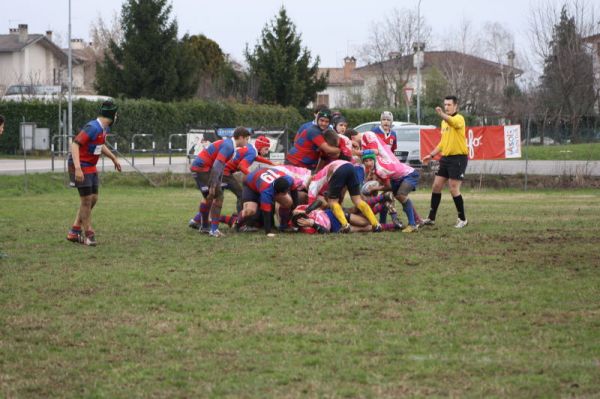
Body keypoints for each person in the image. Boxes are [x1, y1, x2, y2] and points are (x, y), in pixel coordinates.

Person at [66, 101, 121, 246]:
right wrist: (77, 168)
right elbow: (75, 144)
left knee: (94, 198)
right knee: (86, 201)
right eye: (116, 115)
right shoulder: (93, 127)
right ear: (111, 115)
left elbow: (100, 145)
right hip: (79, 165)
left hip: (90, 166)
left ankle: (74, 230)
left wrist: (113, 158)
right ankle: (88, 234)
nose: (117, 118)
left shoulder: (104, 129)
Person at [189, 127, 251, 237]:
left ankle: (205, 227)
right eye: (246, 139)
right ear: (240, 138)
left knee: (208, 197)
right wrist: (213, 184)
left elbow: (220, 166)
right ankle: (213, 230)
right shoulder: (229, 146)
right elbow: (217, 165)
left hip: (199, 167)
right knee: (218, 196)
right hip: (202, 168)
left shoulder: (228, 144)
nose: (247, 142)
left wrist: (217, 181)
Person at [421, 95, 469, 228]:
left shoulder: (459, 119)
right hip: (446, 159)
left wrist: (442, 114)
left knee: (453, 188)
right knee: (436, 186)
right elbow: (442, 143)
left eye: (449, 105)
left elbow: (452, 122)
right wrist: (430, 155)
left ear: (455, 106)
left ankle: (462, 218)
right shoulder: (443, 122)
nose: (446, 107)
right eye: (445, 105)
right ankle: (431, 218)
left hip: (458, 158)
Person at [306, 159, 382, 233]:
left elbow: (310, 207)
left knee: (332, 202)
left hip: (339, 169)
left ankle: (345, 225)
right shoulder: (322, 175)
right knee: (357, 200)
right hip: (350, 167)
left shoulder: (313, 184)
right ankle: (376, 224)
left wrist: (307, 213)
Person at [237, 167, 297, 236]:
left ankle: (284, 226)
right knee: (250, 210)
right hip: (250, 184)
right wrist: (268, 232)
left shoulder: (288, 179)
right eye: (284, 193)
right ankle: (236, 223)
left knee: (288, 202)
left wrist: (295, 207)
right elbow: (266, 212)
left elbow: (294, 191)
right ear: (277, 192)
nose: (286, 193)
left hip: (263, 178)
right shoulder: (267, 192)